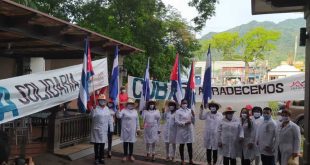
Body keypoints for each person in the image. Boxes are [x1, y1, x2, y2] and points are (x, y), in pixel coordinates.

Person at [90, 94, 113, 165]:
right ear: (98, 101)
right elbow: (91, 116)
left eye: (103, 100)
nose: (102, 101)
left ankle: (101, 158)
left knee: (102, 144)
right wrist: (93, 109)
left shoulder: (107, 109)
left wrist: (111, 128)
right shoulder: (95, 108)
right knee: (96, 144)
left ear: (105, 101)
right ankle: (96, 158)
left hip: (104, 130)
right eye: (101, 100)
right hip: (96, 129)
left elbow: (110, 119)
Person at [116, 98, 140, 162]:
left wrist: (138, 128)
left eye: (131, 104)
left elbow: (137, 121)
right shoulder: (124, 110)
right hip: (125, 129)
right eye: (129, 103)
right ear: (127, 104)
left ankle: (131, 155)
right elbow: (119, 116)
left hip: (132, 130)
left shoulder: (135, 111)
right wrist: (118, 110)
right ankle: (125, 155)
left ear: (133, 104)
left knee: (131, 143)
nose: (130, 105)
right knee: (125, 142)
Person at [199, 101, 223, 165]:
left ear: (217, 107)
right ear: (209, 107)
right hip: (208, 135)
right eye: (211, 106)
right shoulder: (207, 113)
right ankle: (209, 162)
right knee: (208, 149)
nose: (213, 107)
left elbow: (222, 125)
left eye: (214, 106)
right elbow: (201, 117)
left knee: (215, 150)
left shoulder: (220, 115)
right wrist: (201, 110)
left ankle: (214, 162)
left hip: (216, 135)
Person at [175, 99, 196, 165]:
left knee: (190, 146)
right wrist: (184, 123)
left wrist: (194, 116)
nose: (185, 104)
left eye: (186, 103)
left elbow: (193, 122)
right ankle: (182, 160)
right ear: (181, 104)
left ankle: (191, 159)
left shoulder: (190, 110)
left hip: (189, 130)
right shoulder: (178, 111)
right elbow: (176, 121)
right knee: (182, 146)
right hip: (182, 131)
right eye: (183, 103)